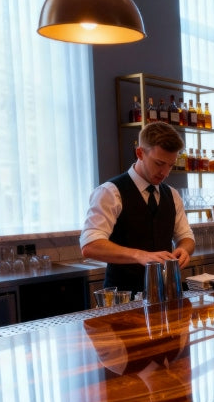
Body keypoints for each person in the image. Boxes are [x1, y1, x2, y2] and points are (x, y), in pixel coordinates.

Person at [80, 122, 195, 294]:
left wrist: (184, 250)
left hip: (164, 295)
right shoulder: (110, 192)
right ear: (140, 153)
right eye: (159, 163)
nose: (164, 172)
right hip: (122, 299)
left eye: (170, 165)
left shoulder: (172, 195)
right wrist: (139, 255)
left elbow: (186, 237)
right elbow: (90, 245)